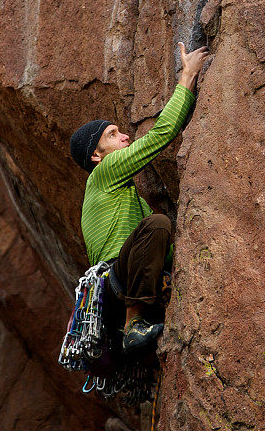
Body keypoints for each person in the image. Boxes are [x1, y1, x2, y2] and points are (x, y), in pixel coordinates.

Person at [69, 41, 210, 353]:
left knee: (156, 226)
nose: (124, 137)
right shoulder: (104, 172)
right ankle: (135, 325)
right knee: (158, 224)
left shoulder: (128, 200)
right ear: (96, 154)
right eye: (113, 135)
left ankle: (138, 327)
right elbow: (161, 135)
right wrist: (187, 77)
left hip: (116, 295)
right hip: (117, 281)